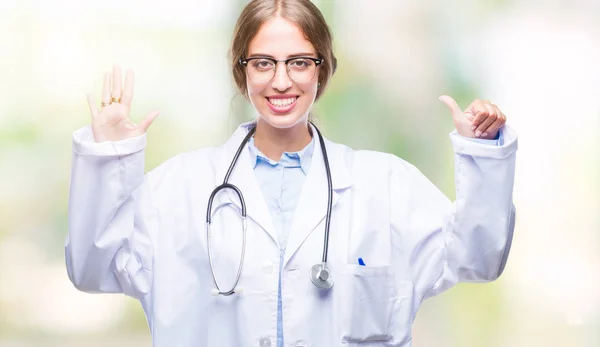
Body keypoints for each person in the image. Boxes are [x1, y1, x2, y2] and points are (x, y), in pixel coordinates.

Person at [65, 0, 517, 346]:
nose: (282, 81)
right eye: (263, 63)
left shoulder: (386, 185)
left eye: (300, 62)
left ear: (324, 69)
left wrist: (482, 155)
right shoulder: (179, 188)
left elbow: (477, 260)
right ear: (241, 73)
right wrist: (109, 155)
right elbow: (91, 270)